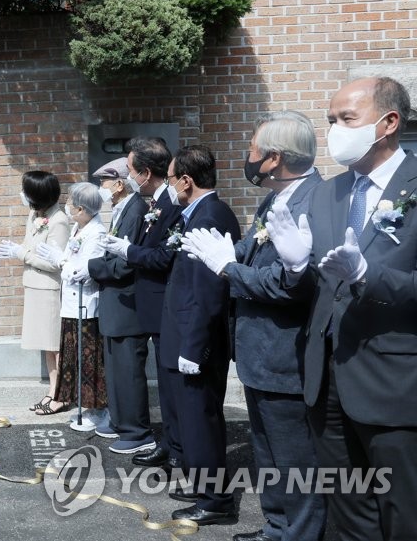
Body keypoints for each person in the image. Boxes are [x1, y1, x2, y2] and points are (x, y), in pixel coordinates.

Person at [265, 76, 416, 540]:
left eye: (346, 119)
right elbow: (323, 279)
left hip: (394, 383)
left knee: (404, 514)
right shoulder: (329, 192)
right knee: (349, 514)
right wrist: (295, 268)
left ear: (389, 122)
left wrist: (371, 276)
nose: (334, 130)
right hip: (326, 380)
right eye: (331, 120)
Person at [182, 111, 325, 541]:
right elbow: (250, 249)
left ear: (275, 158)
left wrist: (228, 268)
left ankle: (299, 533)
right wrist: (229, 253)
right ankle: (276, 528)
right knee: (266, 454)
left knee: (295, 462)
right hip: (258, 354)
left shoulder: (314, 201)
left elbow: (290, 286)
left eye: (252, 152)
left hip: (287, 357)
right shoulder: (273, 198)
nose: (248, 159)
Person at [155, 145, 242, 525]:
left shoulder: (210, 215)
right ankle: (200, 484)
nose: (170, 186)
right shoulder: (198, 213)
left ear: (186, 181)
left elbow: (208, 289)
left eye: (172, 179)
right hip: (183, 334)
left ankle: (214, 500)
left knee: (200, 421)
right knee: (190, 421)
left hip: (196, 340)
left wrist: (194, 345)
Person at [100, 137, 180, 470]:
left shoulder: (152, 206)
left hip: (146, 303)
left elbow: (152, 257)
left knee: (139, 374)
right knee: (123, 372)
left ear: (144, 173)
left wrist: (98, 263)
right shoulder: (148, 204)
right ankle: (153, 437)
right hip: (136, 304)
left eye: (131, 170)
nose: (129, 176)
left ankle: (147, 434)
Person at [84, 157, 154, 454]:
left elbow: (124, 263)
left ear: (120, 183)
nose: (102, 187)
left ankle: (137, 431)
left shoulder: (135, 209)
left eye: (105, 182)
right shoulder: (122, 209)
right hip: (116, 304)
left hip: (128, 305)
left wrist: (90, 267)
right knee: (116, 371)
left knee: (128, 371)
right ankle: (120, 421)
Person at [0, 170, 69, 413]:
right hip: (33, 287)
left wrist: (21, 254)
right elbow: (27, 245)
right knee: (46, 345)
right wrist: (11, 250)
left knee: (56, 346)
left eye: (26, 191)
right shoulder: (35, 213)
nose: (22, 195)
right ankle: (51, 391)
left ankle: (61, 395)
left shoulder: (59, 221)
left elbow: (55, 262)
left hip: (49, 289)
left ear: (38, 194)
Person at [36, 182, 108, 422]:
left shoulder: (96, 234)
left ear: (81, 209)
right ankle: (82, 404)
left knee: (88, 361)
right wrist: (60, 258)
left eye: (70, 204)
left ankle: (96, 410)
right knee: (74, 358)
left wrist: (62, 262)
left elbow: (83, 273)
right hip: (71, 305)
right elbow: (69, 260)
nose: (66, 206)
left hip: (86, 306)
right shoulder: (79, 228)